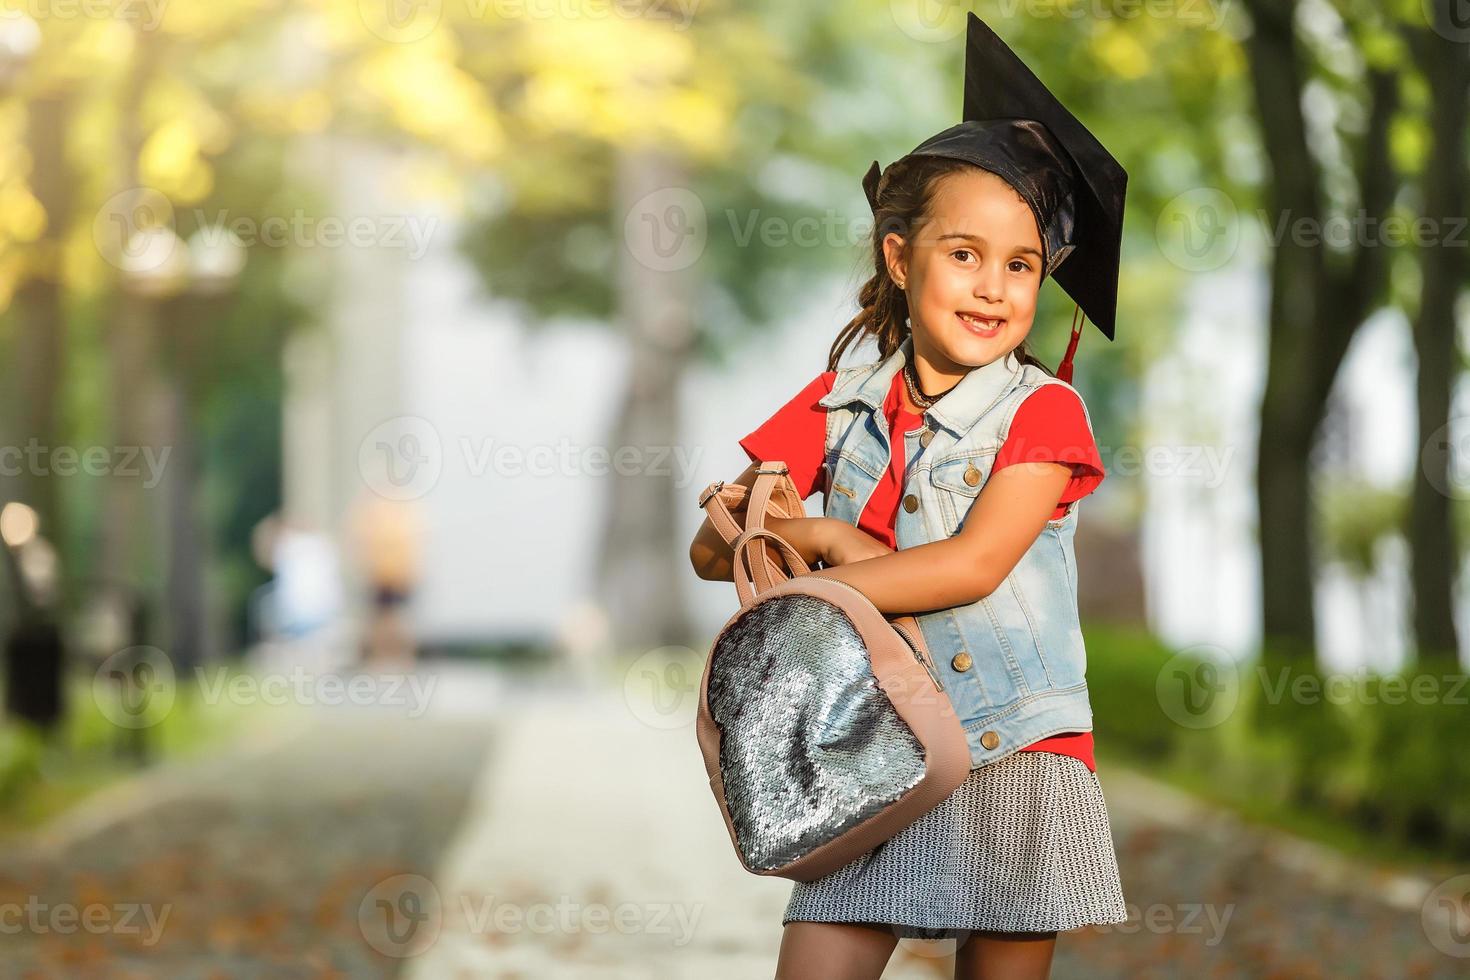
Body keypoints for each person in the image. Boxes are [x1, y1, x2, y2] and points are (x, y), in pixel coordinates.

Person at [688, 13, 1129, 979]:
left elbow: (975, 563)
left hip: (1016, 749)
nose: (992, 288)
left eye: (1021, 266)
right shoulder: (839, 399)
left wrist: (838, 551)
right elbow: (718, 554)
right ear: (900, 258)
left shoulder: (1044, 413)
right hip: (865, 736)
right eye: (964, 254)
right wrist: (749, 529)